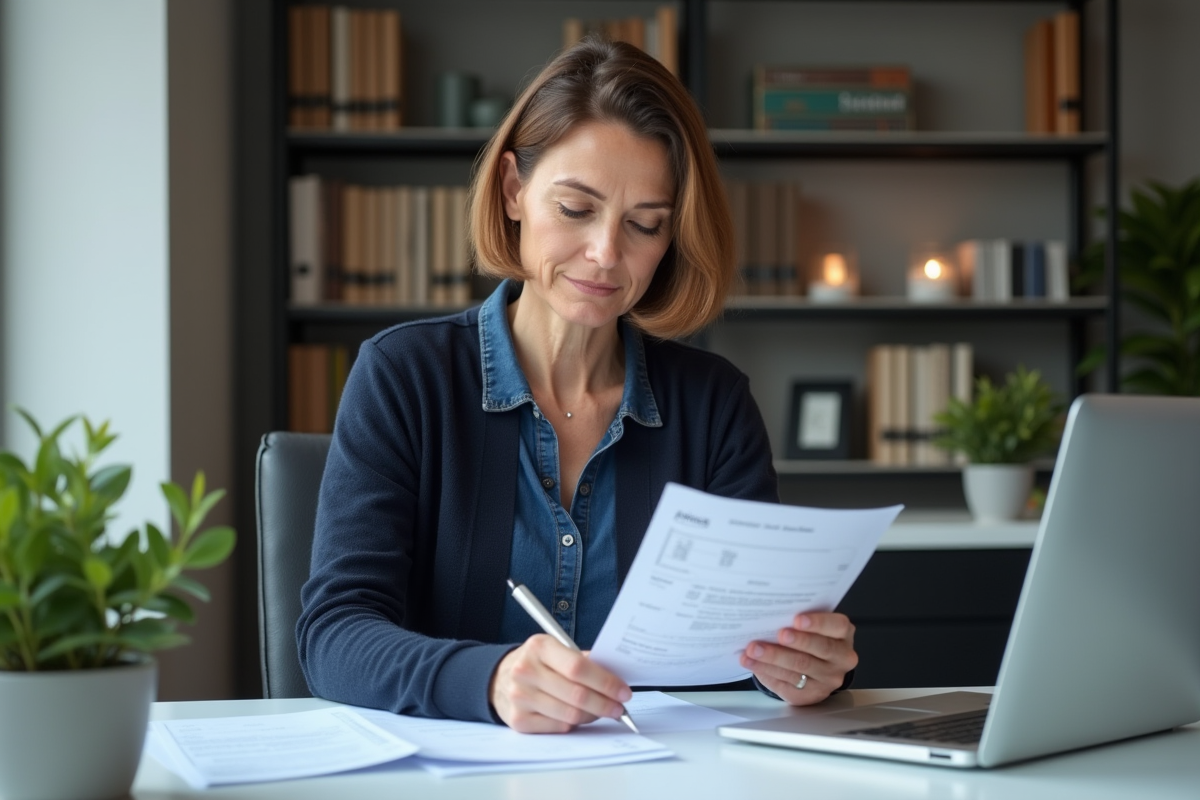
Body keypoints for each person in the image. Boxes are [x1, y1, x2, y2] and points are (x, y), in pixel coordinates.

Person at [296, 36, 858, 734]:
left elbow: (751, 651)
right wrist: (491, 680)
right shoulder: (404, 376)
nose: (606, 254)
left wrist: (803, 671)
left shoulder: (714, 404)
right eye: (575, 209)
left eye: (644, 225)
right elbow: (333, 638)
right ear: (512, 190)